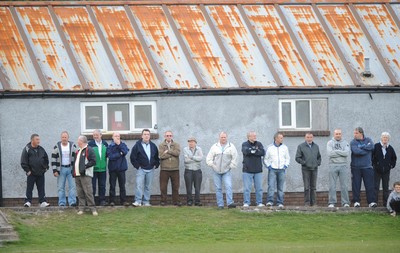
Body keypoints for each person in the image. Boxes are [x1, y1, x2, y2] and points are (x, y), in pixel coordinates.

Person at [206, 132, 238, 209]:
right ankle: (220, 205)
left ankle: (230, 203)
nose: (223, 139)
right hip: (216, 171)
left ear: (226, 137)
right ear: (219, 138)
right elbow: (208, 158)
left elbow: (235, 157)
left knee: (228, 186)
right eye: (222, 137)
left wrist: (231, 166)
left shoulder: (231, 146)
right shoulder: (214, 147)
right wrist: (212, 165)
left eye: (224, 137)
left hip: (226, 171)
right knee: (218, 188)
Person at [130, 129, 160, 207]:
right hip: (141, 169)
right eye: (145, 134)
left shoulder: (153, 146)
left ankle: (146, 201)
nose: (146, 136)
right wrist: (138, 166)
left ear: (150, 136)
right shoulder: (137, 145)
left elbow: (157, 157)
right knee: (139, 185)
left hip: (150, 169)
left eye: (148, 134)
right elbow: (133, 157)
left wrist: (156, 165)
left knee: (148, 186)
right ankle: (138, 201)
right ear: (142, 135)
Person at [20, 134, 50, 208]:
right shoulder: (27, 149)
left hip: (40, 173)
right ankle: (28, 202)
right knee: (29, 188)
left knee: (41, 188)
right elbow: (23, 161)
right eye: (37, 139)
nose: (39, 141)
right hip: (31, 173)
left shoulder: (41, 149)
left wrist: (46, 167)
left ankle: (42, 201)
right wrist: (27, 170)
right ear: (32, 140)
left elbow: (46, 159)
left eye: (39, 139)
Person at [350, 127, 376, 208]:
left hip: (367, 167)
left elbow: (372, 147)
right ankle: (356, 201)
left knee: (369, 185)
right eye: (354, 133)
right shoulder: (353, 142)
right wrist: (366, 149)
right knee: (356, 185)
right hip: (356, 168)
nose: (354, 134)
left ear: (361, 133)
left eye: (356, 133)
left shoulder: (368, 140)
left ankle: (371, 202)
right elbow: (356, 152)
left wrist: (361, 147)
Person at [51, 131, 77, 207]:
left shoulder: (72, 146)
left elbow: (76, 158)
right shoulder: (57, 146)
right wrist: (55, 170)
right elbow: (53, 159)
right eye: (63, 137)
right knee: (60, 187)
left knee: (72, 187)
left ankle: (72, 202)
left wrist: (75, 169)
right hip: (61, 169)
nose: (64, 139)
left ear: (68, 138)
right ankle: (62, 202)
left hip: (70, 169)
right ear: (61, 138)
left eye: (65, 137)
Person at [295, 132, 321, 206]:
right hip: (305, 169)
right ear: (305, 138)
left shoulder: (316, 146)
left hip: (314, 169)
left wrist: (318, 163)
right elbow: (297, 158)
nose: (309, 139)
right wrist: (304, 162)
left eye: (310, 137)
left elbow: (319, 157)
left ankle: (314, 203)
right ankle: (307, 203)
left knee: (313, 187)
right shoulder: (301, 146)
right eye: (308, 137)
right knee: (307, 187)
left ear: (313, 138)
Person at [264, 132, 290, 208]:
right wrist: (269, 166)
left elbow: (287, 158)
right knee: (271, 186)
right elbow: (266, 159)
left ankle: (280, 202)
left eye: (282, 138)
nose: (282, 139)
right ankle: (270, 201)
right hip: (272, 170)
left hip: (282, 170)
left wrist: (285, 166)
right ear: (276, 138)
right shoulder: (269, 147)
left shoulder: (285, 148)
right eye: (281, 138)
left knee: (280, 187)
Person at [74, 135, 97, 216]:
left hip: (86, 175)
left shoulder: (89, 149)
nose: (77, 142)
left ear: (82, 141)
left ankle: (93, 209)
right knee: (80, 193)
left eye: (78, 140)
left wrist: (85, 167)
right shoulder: (78, 151)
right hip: (77, 175)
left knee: (88, 192)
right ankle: (81, 208)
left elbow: (93, 161)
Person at [326, 128, 350, 208]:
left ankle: (345, 202)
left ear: (341, 134)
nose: (338, 135)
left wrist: (335, 152)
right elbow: (330, 154)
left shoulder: (345, 143)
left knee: (344, 185)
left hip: (343, 166)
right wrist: (341, 153)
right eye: (337, 134)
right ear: (334, 134)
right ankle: (332, 202)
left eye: (339, 134)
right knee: (332, 185)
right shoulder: (330, 143)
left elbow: (346, 153)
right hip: (333, 165)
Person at [372, 132, 397, 206]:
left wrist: (391, 165)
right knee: (375, 187)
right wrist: (374, 164)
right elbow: (371, 156)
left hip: (386, 171)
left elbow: (394, 158)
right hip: (377, 170)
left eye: (386, 137)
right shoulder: (376, 146)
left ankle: (386, 203)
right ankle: (374, 202)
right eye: (383, 137)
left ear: (388, 139)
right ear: (381, 138)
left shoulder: (390, 148)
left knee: (385, 187)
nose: (385, 139)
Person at [241, 131, 265, 207]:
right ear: (249, 137)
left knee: (259, 188)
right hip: (247, 170)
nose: (255, 137)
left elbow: (262, 152)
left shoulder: (259, 144)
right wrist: (255, 151)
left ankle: (259, 202)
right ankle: (246, 202)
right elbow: (246, 151)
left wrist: (252, 151)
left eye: (255, 135)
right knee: (247, 188)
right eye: (253, 136)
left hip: (258, 170)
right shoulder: (244, 144)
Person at [106, 132, 130, 206]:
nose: (117, 137)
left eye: (118, 136)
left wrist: (119, 145)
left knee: (122, 185)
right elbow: (110, 156)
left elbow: (125, 151)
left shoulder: (123, 145)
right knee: (112, 186)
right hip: (113, 169)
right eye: (115, 136)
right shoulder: (110, 146)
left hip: (121, 169)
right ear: (112, 137)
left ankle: (123, 201)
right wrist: (120, 154)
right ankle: (112, 201)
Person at [159, 131, 181, 206]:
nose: (169, 137)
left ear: (172, 136)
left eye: (170, 135)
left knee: (175, 187)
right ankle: (163, 201)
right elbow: (161, 156)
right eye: (167, 135)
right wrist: (172, 154)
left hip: (175, 169)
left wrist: (168, 151)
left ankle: (176, 201)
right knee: (163, 187)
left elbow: (177, 153)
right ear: (165, 136)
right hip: (164, 169)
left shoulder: (176, 145)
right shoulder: (161, 145)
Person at [88, 129, 108, 206]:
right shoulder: (90, 144)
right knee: (92, 186)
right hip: (93, 169)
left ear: (101, 135)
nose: (95, 136)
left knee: (102, 185)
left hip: (102, 168)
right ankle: (92, 201)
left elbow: (107, 154)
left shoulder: (105, 144)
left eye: (97, 135)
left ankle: (102, 200)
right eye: (94, 135)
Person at [183, 137, 203, 206]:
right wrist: (195, 158)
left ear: (195, 143)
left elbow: (200, 158)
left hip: (197, 170)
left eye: (192, 142)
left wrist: (191, 157)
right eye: (189, 142)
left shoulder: (199, 149)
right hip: (188, 170)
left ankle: (197, 201)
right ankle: (189, 201)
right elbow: (186, 160)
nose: (191, 143)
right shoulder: (185, 149)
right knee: (189, 187)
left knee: (197, 187)